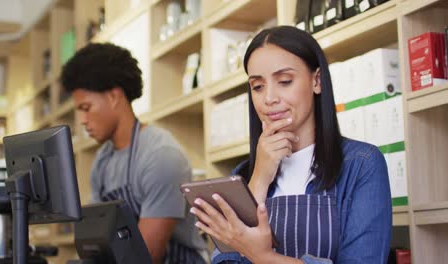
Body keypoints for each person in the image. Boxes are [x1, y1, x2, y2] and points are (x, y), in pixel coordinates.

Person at [190, 26, 392, 263]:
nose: (269, 98)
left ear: (317, 81)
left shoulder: (361, 164)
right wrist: (258, 181)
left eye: (284, 81)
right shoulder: (242, 176)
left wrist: (262, 256)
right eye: (257, 86)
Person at [60, 43, 207, 264]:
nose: (81, 121)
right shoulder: (102, 160)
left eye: (86, 108)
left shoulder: (161, 156)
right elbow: (96, 242)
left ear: (113, 96)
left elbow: (145, 257)